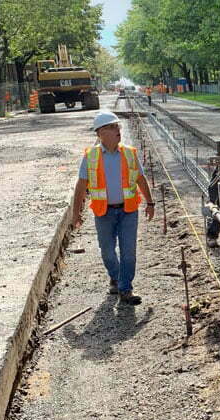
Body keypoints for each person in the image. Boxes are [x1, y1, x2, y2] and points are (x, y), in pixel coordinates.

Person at [73, 111, 156, 305]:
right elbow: (81, 185)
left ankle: (125, 288)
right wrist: (75, 213)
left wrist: (150, 202)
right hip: (104, 213)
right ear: (100, 133)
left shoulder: (129, 153)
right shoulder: (90, 156)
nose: (117, 130)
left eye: (117, 126)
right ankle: (116, 276)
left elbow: (140, 179)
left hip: (128, 211)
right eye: (112, 127)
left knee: (129, 253)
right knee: (108, 252)